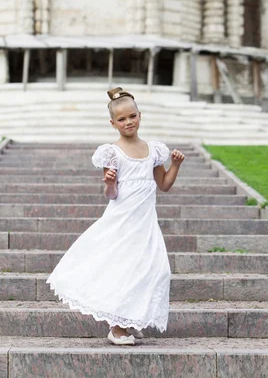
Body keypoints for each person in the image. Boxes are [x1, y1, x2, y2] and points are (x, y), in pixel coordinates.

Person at [46, 87, 186, 345]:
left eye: (132, 116)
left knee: (156, 270)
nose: (128, 122)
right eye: (121, 119)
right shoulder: (113, 153)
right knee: (123, 268)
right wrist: (110, 182)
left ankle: (132, 319)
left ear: (140, 116)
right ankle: (117, 328)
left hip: (145, 222)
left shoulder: (154, 151)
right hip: (122, 221)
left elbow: (164, 184)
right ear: (113, 123)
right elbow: (111, 195)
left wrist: (175, 165)